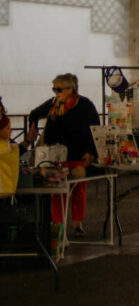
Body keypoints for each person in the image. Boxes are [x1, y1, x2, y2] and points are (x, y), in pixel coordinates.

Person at [26, 74, 101, 237]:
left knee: (78, 191)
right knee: (57, 191)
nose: (55, 92)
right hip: (56, 157)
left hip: (78, 155)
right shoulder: (53, 104)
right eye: (54, 89)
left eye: (58, 89)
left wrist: (92, 152)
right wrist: (33, 128)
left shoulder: (86, 105)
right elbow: (34, 113)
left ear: (70, 89)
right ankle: (58, 225)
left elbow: (96, 129)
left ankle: (77, 223)